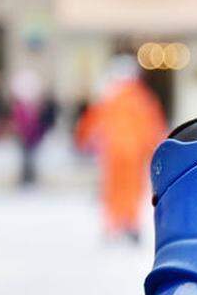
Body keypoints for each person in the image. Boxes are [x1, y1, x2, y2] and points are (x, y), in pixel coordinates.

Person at [75, 56, 167, 243]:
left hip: (112, 151)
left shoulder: (109, 96)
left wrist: (83, 142)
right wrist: (158, 150)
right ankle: (129, 223)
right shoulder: (142, 98)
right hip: (133, 152)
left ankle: (115, 223)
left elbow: (91, 123)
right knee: (132, 187)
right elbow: (153, 126)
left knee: (113, 187)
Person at [9, 67, 57, 187]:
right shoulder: (20, 108)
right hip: (24, 137)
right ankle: (25, 179)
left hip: (32, 137)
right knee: (25, 159)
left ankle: (30, 178)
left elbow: (38, 122)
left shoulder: (35, 108)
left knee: (31, 159)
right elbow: (19, 123)